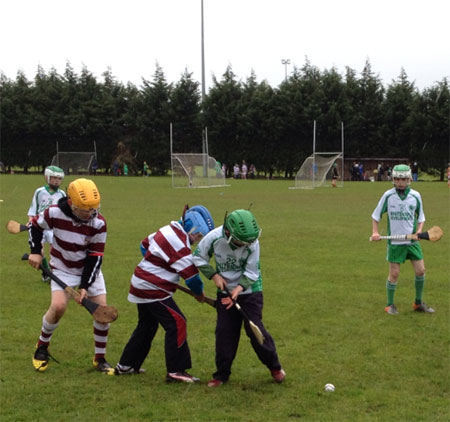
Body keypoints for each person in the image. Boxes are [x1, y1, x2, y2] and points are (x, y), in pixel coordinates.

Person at [113, 205, 215, 383]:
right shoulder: (180, 244)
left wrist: (161, 263)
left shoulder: (168, 229)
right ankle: (176, 370)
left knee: (147, 325)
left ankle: (126, 365)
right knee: (177, 323)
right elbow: (192, 278)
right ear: (191, 227)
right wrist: (199, 294)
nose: (197, 240)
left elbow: (144, 246)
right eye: (198, 236)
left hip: (142, 283)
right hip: (152, 289)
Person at [28, 178, 113, 372]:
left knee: (102, 312)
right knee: (58, 307)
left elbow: (95, 256)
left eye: (94, 208)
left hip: (88, 270)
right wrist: (35, 250)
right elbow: (35, 226)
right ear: (72, 204)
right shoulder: (54, 213)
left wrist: (84, 285)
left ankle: (100, 358)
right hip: (62, 268)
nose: (91, 213)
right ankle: (42, 346)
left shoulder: (98, 223)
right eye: (86, 210)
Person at [193, 209, 286, 387]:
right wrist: (214, 276)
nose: (246, 245)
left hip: (250, 290)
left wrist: (238, 290)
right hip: (225, 290)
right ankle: (221, 375)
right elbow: (198, 257)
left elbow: (252, 272)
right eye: (241, 242)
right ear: (228, 232)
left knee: (255, 330)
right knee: (224, 333)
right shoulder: (213, 238)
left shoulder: (252, 242)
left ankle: (275, 367)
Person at [371, 164, 434, 315]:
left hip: (412, 242)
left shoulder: (415, 196)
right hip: (395, 242)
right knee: (394, 274)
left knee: (421, 271)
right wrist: (375, 232)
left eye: (403, 179)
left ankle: (418, 303)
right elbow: (376, 216)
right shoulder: (388, 196)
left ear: (409, 179)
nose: (400, 182)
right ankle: (389, 305)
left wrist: (419, 231)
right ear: (393, 179)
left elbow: (421, 217)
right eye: (397, 179)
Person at [27, 166, 66, 282]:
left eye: (59, 179)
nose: (56, 181)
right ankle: (46, 273)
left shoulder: (62, 194)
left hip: (54, 228)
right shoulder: (39, 192)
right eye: (54, 178)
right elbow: (33, 209)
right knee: (40, 251)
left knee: (55, 252)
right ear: (47, 177)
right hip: (40, 226)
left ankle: (54, 274)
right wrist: (31, 220)